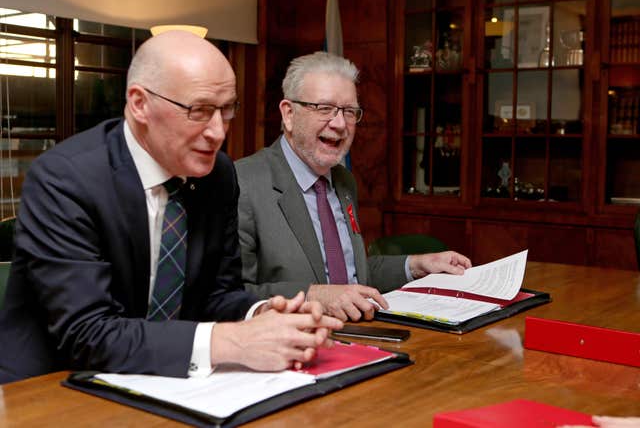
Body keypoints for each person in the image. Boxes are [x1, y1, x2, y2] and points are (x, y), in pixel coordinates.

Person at [0, 32, 342, 384]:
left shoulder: (219, 176)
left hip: (168, 381)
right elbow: (86, 333)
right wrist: (230, 342)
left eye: (226, 111)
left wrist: (264, 314)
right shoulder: (66, 180)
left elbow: (217, 295)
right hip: (52, 386)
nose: (217, 132)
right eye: (199, 111)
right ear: (139, 104)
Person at [235, 51, 471, 322]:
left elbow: (351, 274)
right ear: (288, 114)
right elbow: (232, 295)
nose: (339, 124)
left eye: (349, 112)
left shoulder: (344, 181)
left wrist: (416, 266)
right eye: (324, 108)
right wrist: (314, 296)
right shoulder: (243, 184)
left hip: (363, 337)